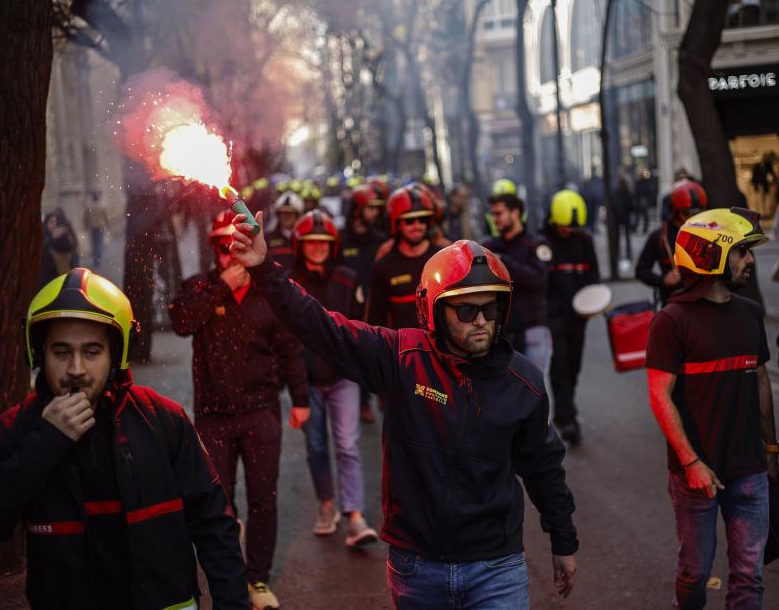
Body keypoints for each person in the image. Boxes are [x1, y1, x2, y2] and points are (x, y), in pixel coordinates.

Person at [231, 218, 579, 608]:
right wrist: (263, 268)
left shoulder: (524, 381)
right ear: (435, 309)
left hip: (496, 566)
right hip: (417, 566)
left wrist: (563, 540)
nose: (480, 320)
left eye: (489, 307)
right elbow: (321, 327)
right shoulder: (401, 358)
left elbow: (544, 467)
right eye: (465, 310)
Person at [0, 268, 248, 609]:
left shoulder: (164, 420)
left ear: (115, 354)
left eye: (91, 352)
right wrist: (44, 444)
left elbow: (214, 526)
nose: (76, 369)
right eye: (61, 352)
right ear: (39, 353)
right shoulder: (14, 431)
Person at [169, 210, 309, 610]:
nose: (232, 255)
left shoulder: (269, 292)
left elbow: (289, 348)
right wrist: (220, 289)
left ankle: (258, 580)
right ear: (215, 250)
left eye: (238, 247)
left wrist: (300, 399)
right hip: (213, 415)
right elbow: (181, 322)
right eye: (224, 248)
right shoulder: (199, 287)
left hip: (261, 412)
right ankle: (229, 582)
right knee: (218, 500)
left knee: (264, 497)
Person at [646, 207, 779, 609]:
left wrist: (771, 454)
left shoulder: (750, 313)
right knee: (694, 572)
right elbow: (659, 395)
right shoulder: (671, 321)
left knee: (748, 577)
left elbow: (759, 382)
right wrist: (691, 462)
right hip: (695, 476)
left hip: (750, 470)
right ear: (712, 257)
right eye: (741, 252)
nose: (750, 261)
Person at [291, 210, 379, 548]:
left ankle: (355, 516)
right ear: (302, 246)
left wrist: (361, 367)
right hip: (307, 379)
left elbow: (361, 325)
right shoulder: (291, 282)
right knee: (316, 446)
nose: (317, 249)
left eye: (323, 243)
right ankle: (326, 505)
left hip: (343, 377)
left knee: (347, 445)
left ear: (333, 246)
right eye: (311, 243)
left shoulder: (347, 278)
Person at [542, 190, 600, 445]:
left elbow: (593, 276)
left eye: (572, 227)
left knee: (573, 366)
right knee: (560, 367)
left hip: (579, 316)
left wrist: (596, 301)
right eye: (564, 227)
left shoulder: (584, 241)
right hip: (553, 316)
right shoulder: (543, 243)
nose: (568, 231)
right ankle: (567, 419)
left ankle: (566, 409)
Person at [482, 193, 553, 374]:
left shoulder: (536, 244)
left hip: (532, 329)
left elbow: (538, 280)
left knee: (534, 391)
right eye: (493, 214)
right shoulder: (490, 246)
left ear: (515, 213)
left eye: (499, 214)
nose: (494, 219)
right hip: (501, 333)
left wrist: (503, 262)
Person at [340, 184, 389, 423]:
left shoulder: (381, 240)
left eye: (377, 209)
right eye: (370, 208)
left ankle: (382, 392)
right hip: (350, 310)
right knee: (357, 356)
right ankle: (362, 402)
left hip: (377, 306)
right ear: (357, 210)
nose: (375, 213)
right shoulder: (341, 240)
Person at [365, 183, 442, 329]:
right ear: (397, 224)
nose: (417, 226)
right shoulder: (383, 266)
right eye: (409, 221)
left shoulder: (442, 259)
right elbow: (375, 321)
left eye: (422, 219)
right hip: (401, 350)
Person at [636, 180, 708, 306]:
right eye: (688, 213)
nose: (693, 218)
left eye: (698, 213)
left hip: (704, 302)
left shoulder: (707, 232)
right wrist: (662, 280)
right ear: (676, 211)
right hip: (673, 303)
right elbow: (641, 270)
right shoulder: (659, 237)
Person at [38, 208, 79, 289]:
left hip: (63, 281)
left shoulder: (64, 239)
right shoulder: (43, 237)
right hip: (46, 283)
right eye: (51, 222)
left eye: (56, 222)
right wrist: (52, 238)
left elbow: (72, 251)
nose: (54, 225)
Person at [266, 190, 304, 271]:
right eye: (283, 212)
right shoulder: (266, 239)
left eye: (290, 213)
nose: (287, 216)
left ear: (297, 215)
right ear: (278, 215)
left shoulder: (304, 238)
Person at [83, 191, 110, 267]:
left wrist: (85, 226)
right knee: (99, 243)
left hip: (92, 227)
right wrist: (108, 225)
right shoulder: (101, 207)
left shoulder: (89, 208)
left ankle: (95, 258)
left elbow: (86, 218)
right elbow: (106, 217)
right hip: (100, 226)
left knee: (94, 243)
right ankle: (98, 259)